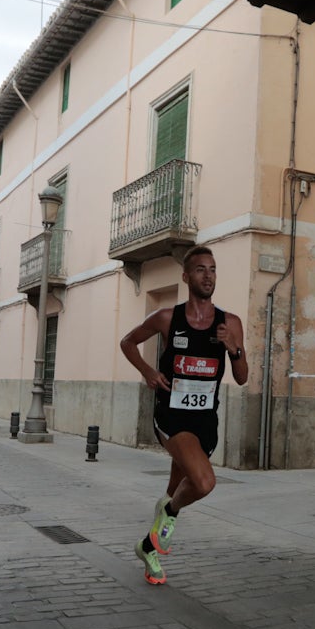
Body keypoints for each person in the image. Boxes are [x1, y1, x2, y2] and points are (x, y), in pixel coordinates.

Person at [118, 246, 247, 585]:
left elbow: (243, 376)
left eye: (214, 270)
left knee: (176, 487)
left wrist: (233, 347)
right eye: (202, 270)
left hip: (206, 419)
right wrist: (148, 371)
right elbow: (128, 342)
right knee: (204, 482)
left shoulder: (230, 322)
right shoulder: (166, 318)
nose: (209, 276)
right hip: (172, 414)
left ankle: (148, 548)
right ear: (187, 277)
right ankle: (170, 514)